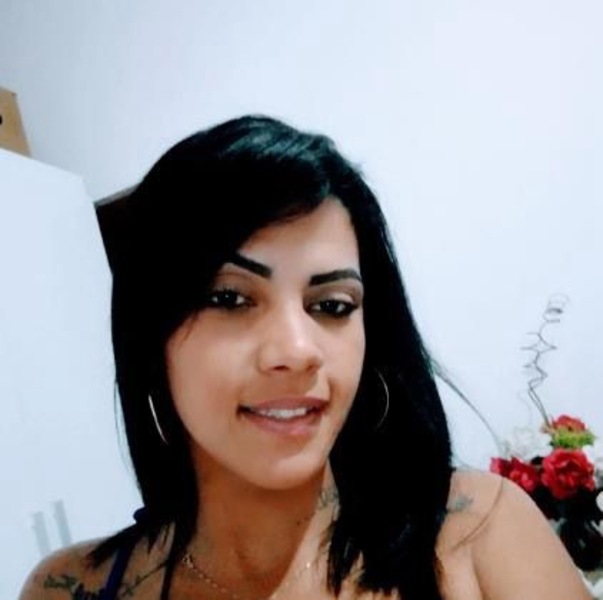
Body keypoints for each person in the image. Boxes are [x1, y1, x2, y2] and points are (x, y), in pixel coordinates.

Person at [19, 115, 590, 600]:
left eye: (332, 305)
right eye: (229, 298)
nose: (297, 350)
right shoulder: (68, 588)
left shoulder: (479, 531)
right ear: (151, 335)